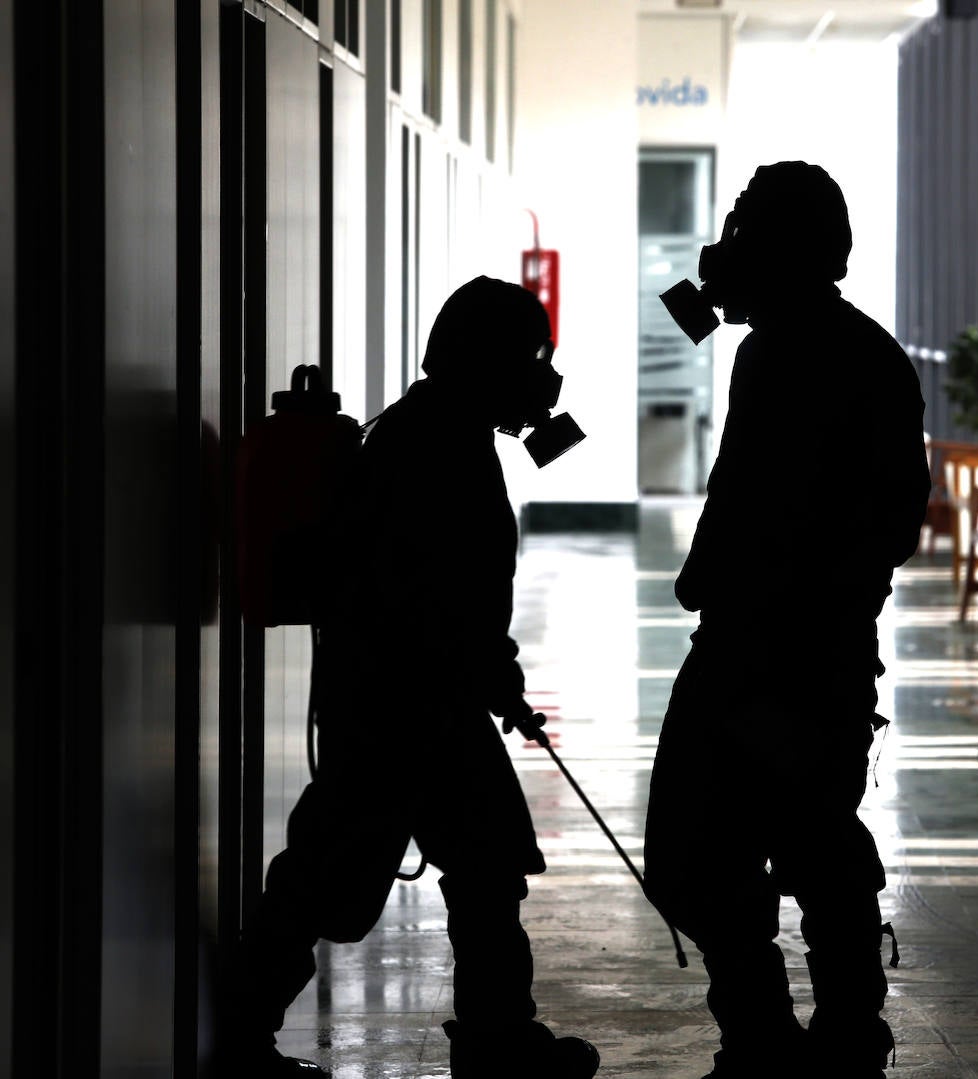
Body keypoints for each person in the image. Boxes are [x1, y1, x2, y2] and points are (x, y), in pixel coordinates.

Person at [228, 277, 597, 1079]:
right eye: (532, 355)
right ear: (485, 357)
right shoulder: (432, 443)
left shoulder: (438, 430)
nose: (543, 375)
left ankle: (497, 1036)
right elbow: (429, 587)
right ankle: (240, 1035)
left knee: (478, 865)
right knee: (333, 871)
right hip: (405, 705)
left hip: (415, 698)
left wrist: (487, 670)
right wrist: (486, 670)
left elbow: (449, 586)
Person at [644, 161, 931, 1078]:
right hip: (820, 654)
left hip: (762, 653)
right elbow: (894, 518)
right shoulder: (861, 353)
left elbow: (760, 502)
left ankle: (772, 1041)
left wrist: (727, 585)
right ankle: (843, 1038)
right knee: (810, 839)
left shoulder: (785, 354)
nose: (725, 252)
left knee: (704, 851)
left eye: (744, 231)